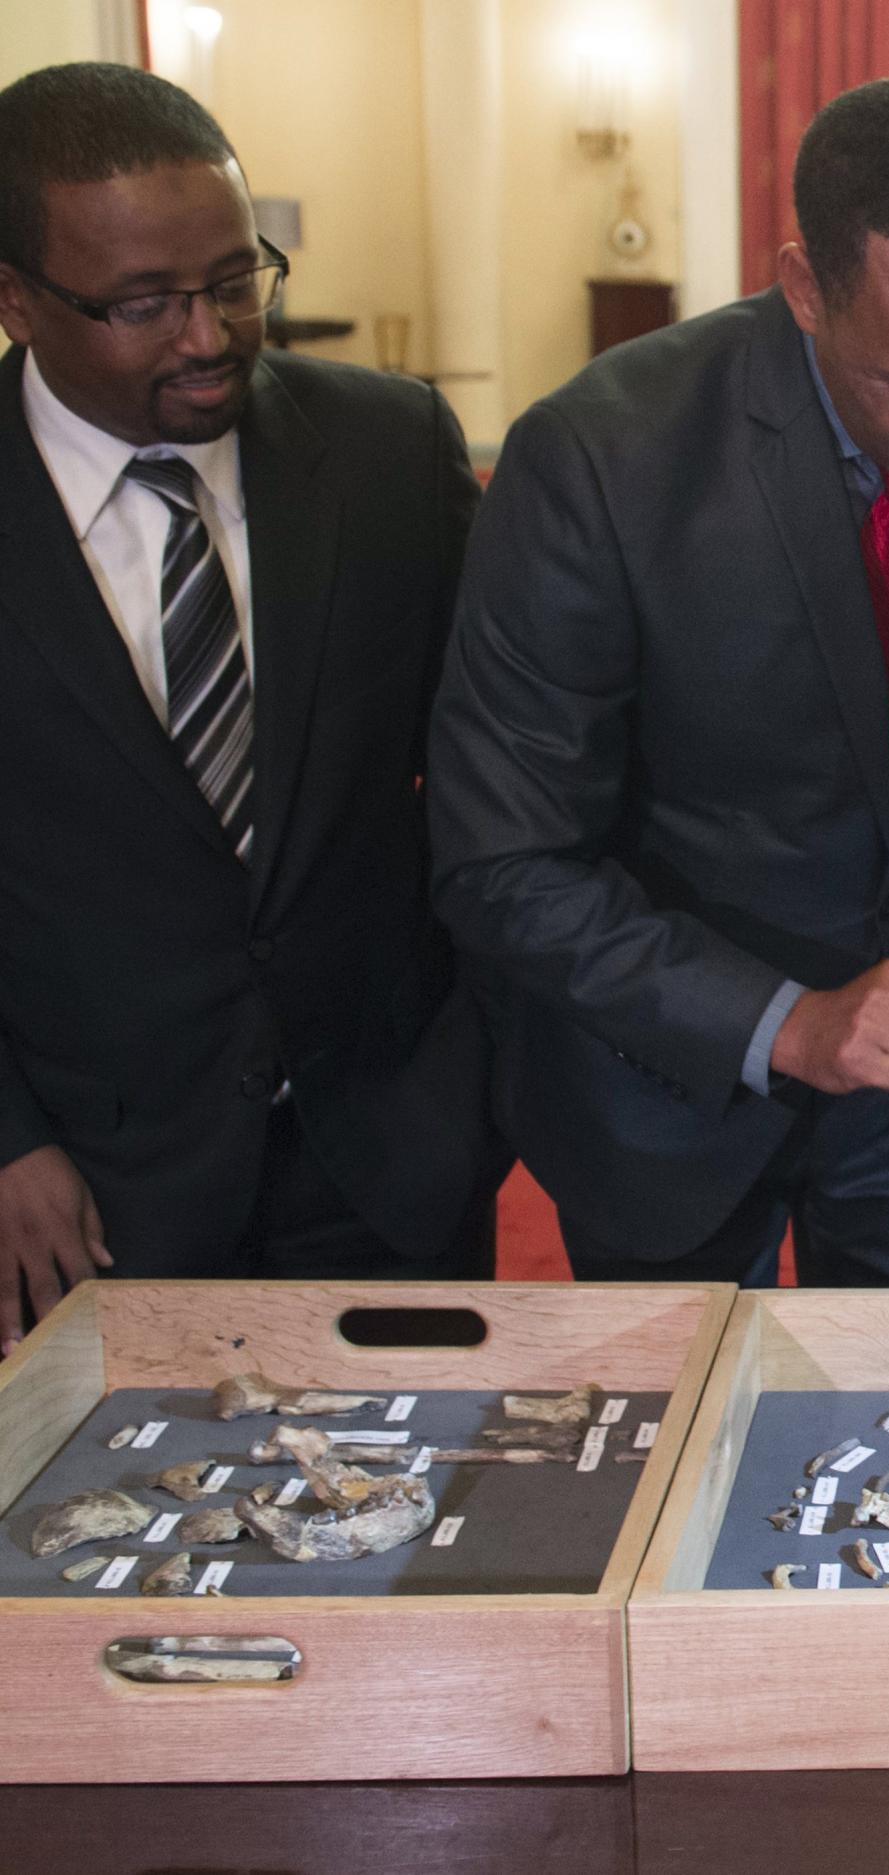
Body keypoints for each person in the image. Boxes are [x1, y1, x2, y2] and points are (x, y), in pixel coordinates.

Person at [428, 75, 889, 1288]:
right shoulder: (605, 458)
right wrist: (785, 1021)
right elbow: (499, 861)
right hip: (666, 1090)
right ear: (806, 288)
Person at [0, 64, 503, 1349]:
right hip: (88, 1189)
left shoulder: (391, 451)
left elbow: (498, 772)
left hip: (388, 1157)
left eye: (235, 280)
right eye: (143, 304)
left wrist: (475, 1082)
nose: (209, 335)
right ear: (15, 298)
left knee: (427, 1526)